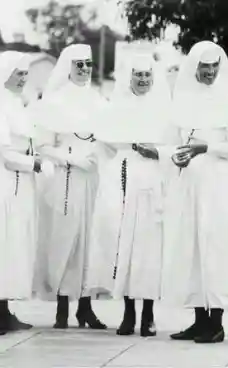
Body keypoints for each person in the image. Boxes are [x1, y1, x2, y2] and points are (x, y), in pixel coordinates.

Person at [162, 40, 228, 344]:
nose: (209, 72)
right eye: (204, 67)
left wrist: (205, 147)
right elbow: (172, 142)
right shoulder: (181, 104)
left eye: (213, 66)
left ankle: (216, 322)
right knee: (192, 247)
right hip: (189, 183)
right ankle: (199, 320)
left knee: (216, 248)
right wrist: (177, 155)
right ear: (194, 68)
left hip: (218, 184)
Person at [86, 54, 178, 337]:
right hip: (121, 178)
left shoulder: (165, 111)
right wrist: (114, 171)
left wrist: (157, 155)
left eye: (147, 75)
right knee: (122, 243)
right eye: (137, 75)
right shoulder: (116, 109)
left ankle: (148, 315)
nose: (142, 80)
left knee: (148, 249)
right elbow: (104, 147)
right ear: (129, 78)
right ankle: (128, 313)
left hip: (153, 179)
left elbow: (174, 148)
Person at [31, 44, 107, 330]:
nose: (84, 69)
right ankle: (62, 306)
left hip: (93, 178)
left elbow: (106, 140)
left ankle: (85, 307)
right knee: (65, 239)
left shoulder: (99, 101)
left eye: (88, 64)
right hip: (65, 179)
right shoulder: (54, 103)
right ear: (68, 67)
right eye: (79, 64)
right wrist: (71, 158)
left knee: (91, 240)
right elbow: (43, 146)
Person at [0, 52, 54, 334]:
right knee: (4, 245)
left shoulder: (18, 104)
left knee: (17, 246)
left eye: (25, 73)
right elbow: (7, 155)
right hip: (7, 183)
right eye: (18, 73)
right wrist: (36, 163)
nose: (23, 78)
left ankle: (6, 309)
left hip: (22, 184)